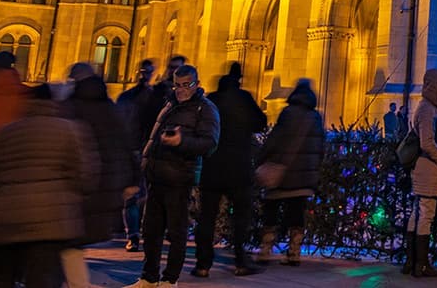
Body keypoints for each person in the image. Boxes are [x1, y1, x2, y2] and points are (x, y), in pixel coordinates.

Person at [0, 84, 91, 288]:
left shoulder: (6, 131)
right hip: (50, 221)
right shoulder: (70, 130)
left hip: (6, 218)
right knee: (42, 278)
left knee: (1, 277)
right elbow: (83, 176)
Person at [129, 63, 221, 288]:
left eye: (186, 85)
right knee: (151, 232)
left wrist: (182, 142)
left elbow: (209, 144)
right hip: (157, 177)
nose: (180, 90)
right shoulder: (169, 104)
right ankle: (148, 278)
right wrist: (145, 161)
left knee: (176, 233)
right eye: (177, 85)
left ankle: (170, 280)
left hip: (180, 179)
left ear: (197, 84)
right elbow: (154, 136)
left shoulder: (205, 109)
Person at [64, 63, 139, 287]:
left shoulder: (70, 107)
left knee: (67, 244)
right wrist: (134, 179)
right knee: (72, 245)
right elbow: (125, 142)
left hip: (77, 186)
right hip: (106, 185)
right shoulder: (109, 107)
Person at [195, 64, 267, 276]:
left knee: (207, 216)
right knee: (241, 218)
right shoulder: (243, 98)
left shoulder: (212, 100)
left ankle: (203, 264)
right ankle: (240, 261)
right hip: (238, 167)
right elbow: (260, 123)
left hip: (212, 166)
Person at [254, 79, 325, 267]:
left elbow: (274, 140)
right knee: (296, 214)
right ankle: (294, 252)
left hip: (282, 174)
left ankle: (266, 249)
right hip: (303, 178)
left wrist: (261, 159)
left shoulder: (288, 113)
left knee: (271, 211)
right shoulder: (316, 118)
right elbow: (320, 148)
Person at [403, 68, 437, 278]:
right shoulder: (428, 109)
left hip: (423, 170)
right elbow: (427, 143)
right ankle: (421, 263)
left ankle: (412, 261)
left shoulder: (427, 107)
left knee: (418, 212)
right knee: (426, 214)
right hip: (429, 170)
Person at [116, 59, 161, 252]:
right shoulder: (150, 98)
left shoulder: (128, 98)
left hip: (139, 151)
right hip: (139, 151)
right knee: (138, 195)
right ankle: (135, 234)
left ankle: (134, 235)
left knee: (135, 195)